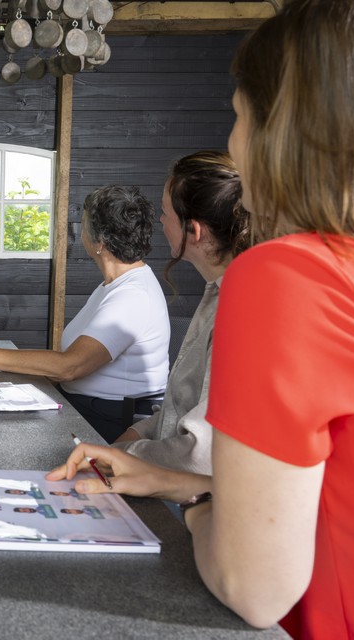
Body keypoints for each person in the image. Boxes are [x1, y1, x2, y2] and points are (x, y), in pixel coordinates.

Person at [51, 1, 354, 634]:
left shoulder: (285, 275)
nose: (232, 147)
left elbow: (254, 587)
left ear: (285, 132)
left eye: (239, 118)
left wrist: (184, 492)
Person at [0, 185, 170, 443]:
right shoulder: (115, 284)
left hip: (110, 423)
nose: (79, 229)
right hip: (85, 409)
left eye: (83, 224)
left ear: (100, 242)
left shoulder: (133, 296)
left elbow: (69, 366)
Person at [112, 151, 249, 474]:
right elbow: (182, 409)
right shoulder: (217, 292)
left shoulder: (239, 310)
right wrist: (126, 442)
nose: (160, 221)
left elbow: (201, 453)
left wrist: (126, 455)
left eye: (164, 213)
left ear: (195, 231)